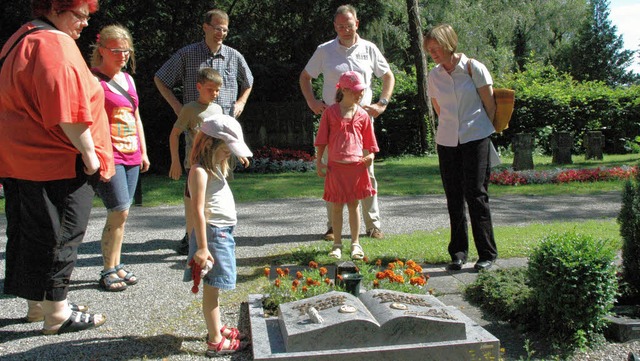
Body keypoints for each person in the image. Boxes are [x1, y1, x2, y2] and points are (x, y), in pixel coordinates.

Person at [0, 0, 114, 334]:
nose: (84, 24)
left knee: (30, 232)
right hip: (57, 161)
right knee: (61, 235)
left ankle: (38, 305)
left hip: (20, 158)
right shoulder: (55, 43)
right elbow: (66, 107)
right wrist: (90, 155)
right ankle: (57, 313)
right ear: (55, 8)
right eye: (80, 15)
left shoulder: (21, 38)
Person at [154, 8, 253, 253]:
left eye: (226, 29)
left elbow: (249, 81)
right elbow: (160, 78)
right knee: (195, 188)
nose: (221, 33)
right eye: (217, 27)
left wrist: (241, 102)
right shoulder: (187, 54)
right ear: (205, 27)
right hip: (196, 134)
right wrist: (177, 106)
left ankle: (218, 233)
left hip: (223, 141)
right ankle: (192, 237)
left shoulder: (233, 55)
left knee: (219, 187)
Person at [300, 4, 394, 241]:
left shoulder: (369, 49)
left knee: (366, 169)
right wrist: (312, 101)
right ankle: (333, 227)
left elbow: (388, 76)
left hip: (361, 119)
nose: (344, 29)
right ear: (335, 26)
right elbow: (305, 76)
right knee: (333, 171)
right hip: (333, 120)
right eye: (340, 26)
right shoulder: (325, 50)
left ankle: (373, 226)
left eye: (348, 25)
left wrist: (382, 103)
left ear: (357, 24)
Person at [424, 24, 498, 271]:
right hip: (447, 140)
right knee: (453, 197)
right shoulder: (434, 75)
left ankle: (486, 253)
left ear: (448, 43)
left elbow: (490, 104)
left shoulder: (473, 68)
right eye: (429, 49)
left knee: (476, 194)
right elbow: (438, 107)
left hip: (475, 136)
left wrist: (482, 130)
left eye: (435, 47)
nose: (432, 53)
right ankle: (458, 252)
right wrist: (450, 125)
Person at [184, 114, 251, 355]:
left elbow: (224, 157)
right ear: (210, 144)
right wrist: (202, 248)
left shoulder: (215, 167)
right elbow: (198, 212)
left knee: (216, 288)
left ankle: (217, 327)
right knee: (212, 288)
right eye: (226, 150)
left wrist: (234, 152)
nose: (228, 155)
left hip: (222, 233)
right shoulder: (199, 172)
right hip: (213, 236)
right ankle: (215, 340)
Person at [91, 25, 150, 291]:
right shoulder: (93, 81)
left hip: (132, 153)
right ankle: (107, 270)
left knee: (123, 215)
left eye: (126, 50)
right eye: (116, 50)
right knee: (118, 211)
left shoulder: (128, 80)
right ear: (101, 50)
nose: (123, 55)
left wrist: (144, 152)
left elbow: (136, 117)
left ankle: (116, 265)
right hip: (110, 154)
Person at [314, 71, 379, 260]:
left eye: (361, 91)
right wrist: (319, 162)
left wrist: (371, 157)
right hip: (336, 167)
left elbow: (370, 143)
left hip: (356, 168)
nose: (360, 95)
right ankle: (337, 244)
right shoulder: (330, 112)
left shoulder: (363, 115)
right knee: (336, 206)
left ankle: (355, 244)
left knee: (354, 205)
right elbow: (321, 140)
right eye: (356, 92)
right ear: (343, 90)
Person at [169, 68, 224, 255]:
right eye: (210, 89)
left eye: (217, 90)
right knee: (192, 203)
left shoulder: (218, 109)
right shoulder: (190, 109)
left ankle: (210, 237)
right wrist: (175, 161)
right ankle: (190, 237)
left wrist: (235, 153)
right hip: (195, 166)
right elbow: (174, 134)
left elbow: (222, 136)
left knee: (212, 202)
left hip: (214, 166)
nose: (214, 94)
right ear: (199, 87)